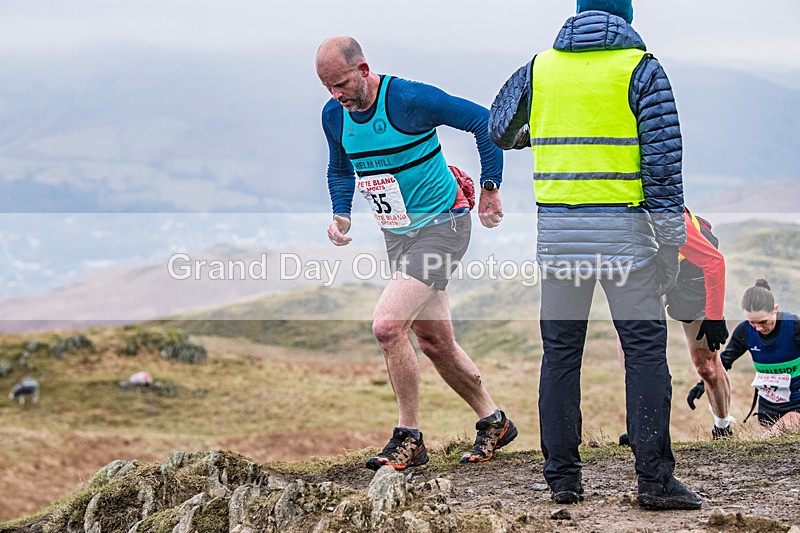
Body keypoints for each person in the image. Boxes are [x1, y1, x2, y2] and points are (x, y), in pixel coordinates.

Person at [489, 0, 702, 510]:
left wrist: (531, 135)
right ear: (625, 17)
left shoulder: (538, 69)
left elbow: (498, 128)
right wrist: (671, 246)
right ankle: (654, 481)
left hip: (559, 238)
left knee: (560, 354)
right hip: (626, 239)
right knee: (646, 354)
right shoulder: (642, 68)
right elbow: (663, 168)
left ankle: (562, 478)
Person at [316, 36, 516, 470]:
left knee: (388, 327)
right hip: (398, 235)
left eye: (342, 83)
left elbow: (485, 122)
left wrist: (490, 189)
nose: (336, 95)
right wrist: (341, 214)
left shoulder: (407, 99)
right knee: (434, 341)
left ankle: (409, 437)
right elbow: (339, 166)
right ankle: (494, 420)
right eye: (328, 87)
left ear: (363, 70)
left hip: (443, 227)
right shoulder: (335, 115)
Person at [620, 208, 733, 441]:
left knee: (706, 367)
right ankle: (641, 427)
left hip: (691, 271)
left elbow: (715, 263)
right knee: (632, 349)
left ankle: (722, 427)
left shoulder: (671, 218)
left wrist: (714, 317)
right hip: (649, 272)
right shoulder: (615, 219)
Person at [720, 279, 800, 435]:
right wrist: (703, 383)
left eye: (763, 322)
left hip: (797, 403)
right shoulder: (744, 331)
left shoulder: (794, 326)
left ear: (775, 309)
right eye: (752, 322)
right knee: (773, 455)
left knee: (771, 438)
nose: (758, 328)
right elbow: (724, 361)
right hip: (767, 408)